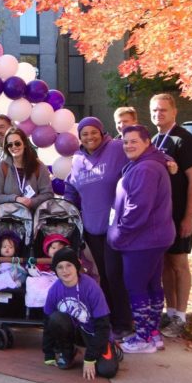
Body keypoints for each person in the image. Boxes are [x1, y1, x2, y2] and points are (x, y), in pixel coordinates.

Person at [108, 125, 175, 353]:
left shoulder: (145, 169)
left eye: (134, 141)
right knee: (152, 285)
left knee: (136, 287)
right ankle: (153, 334)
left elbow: (137, 209)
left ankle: (144, 338)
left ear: (147, 142)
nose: (128, 145)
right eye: (125, 142)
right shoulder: (149, 163)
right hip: (155, 238)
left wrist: (119, 233)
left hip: (142, 240)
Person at [64, 117, 133, 337]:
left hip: (116, 226)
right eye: (84, 134)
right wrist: (66, 208)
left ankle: (124, 321)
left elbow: (144, 153)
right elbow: (71, 188)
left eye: (94, 132)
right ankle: (109, 319)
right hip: (91, 228)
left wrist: (167, 159)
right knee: (101, 276)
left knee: (115, 275)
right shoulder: (78, 159)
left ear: (102, 133)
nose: (89, 137)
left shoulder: (117, 148)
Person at [150, 94, 192, 338]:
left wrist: (189, 216)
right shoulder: (154, 140)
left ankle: (181, 314)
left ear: (174, 112)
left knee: (179, 263)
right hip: (160, 217)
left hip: (179, 214)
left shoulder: (184, 139)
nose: (158, 114)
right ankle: (170, 313)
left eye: (162, 110)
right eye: (154, 111)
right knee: (166, 266)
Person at [42, 247, 120, 380]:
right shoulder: (54, 290)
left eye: (68, 265)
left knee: (107, 371)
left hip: (94, 333)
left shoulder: (91, 287)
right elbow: (47, 322)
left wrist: (90, 358)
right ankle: (68, 352)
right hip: (73, 331)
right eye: (60, 267)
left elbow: (103, 326)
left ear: (76, 266)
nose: (65, 271)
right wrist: (48, 353)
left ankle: (111, 348)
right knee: (55, 318)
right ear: (55, 270)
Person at [0, 127, 54, 210]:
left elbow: (48, 194)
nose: (14, 147)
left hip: (33, 217)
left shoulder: (39, 166)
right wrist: (15, 199)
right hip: (8, 218)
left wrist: (31, 202)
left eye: (17, 143)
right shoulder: (0, 166)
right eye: (10, 144)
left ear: (25, 144)